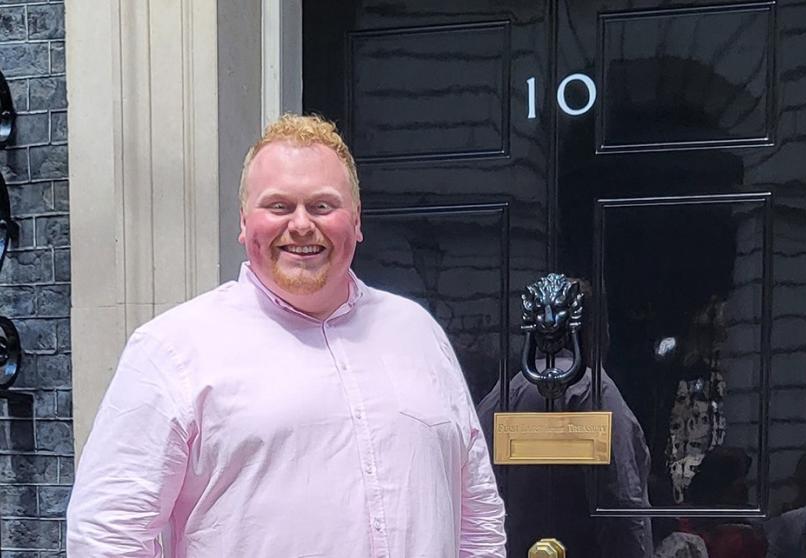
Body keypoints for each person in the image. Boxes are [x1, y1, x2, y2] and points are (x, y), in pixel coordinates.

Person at [66, 114, 507, 557]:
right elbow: (107, 535)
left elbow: (477, 514)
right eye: (278, 206)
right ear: (243, 223)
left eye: (322, 206)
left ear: (356, 221)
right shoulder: (173, 349)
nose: (300, 225)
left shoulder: (418, 334)